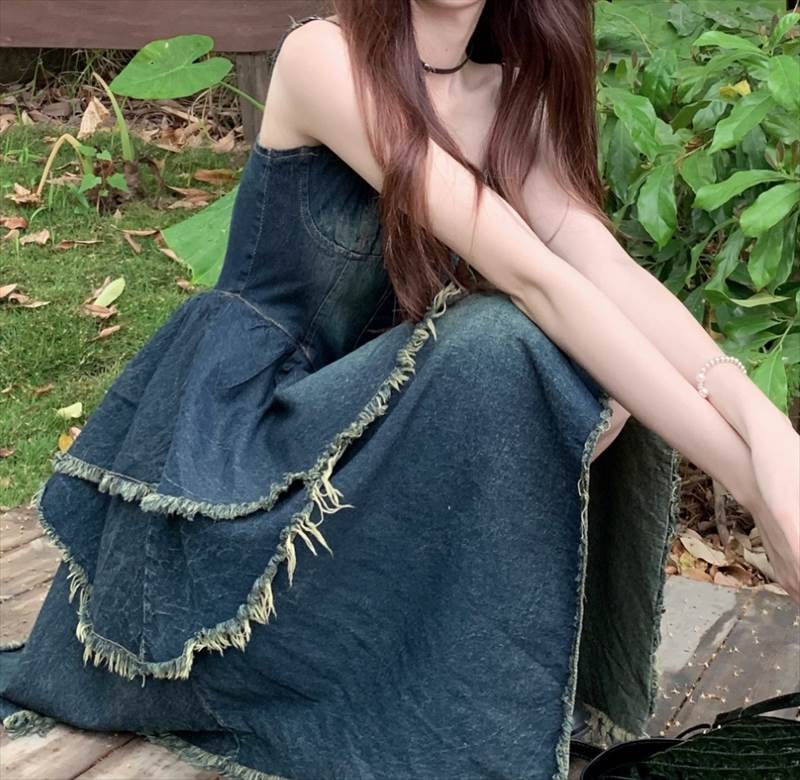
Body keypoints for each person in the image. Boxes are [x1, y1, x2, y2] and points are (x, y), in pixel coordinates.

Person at [1, 2, 798, 779]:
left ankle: (464, 689)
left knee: (606, 359)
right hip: (243, 456)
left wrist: (771, 438)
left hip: (360, 446)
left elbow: (607, 270)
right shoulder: (325, 58)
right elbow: (538, 279)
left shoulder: (505, 95)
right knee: (504, 342)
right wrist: (751, 485)